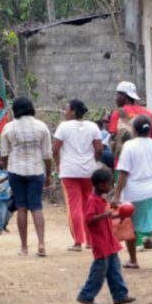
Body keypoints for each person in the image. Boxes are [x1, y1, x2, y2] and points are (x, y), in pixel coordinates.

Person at [111, 115, 152, 270]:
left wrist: (116, 195)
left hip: (133, 192)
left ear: (134, 130)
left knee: (130, 227)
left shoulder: (129, 146)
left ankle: (133, 259)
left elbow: (123, 173)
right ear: (149, 130)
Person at [0, 97, 52, 257]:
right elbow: (47, 155)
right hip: (36, 171)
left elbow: (4, 154)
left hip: (16, 170)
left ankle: (24, 247)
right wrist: (48, 174)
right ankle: (41, 243)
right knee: (36, 207)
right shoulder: (41, 126)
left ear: (15, 110)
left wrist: (8, 170)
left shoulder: (8, 128)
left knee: (21, 207)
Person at [76, 168, 136, 304]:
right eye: (110, 184)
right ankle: (86, 295)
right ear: (101, 185)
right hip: (100, 242)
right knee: (99, 270)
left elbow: (105, 218)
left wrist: (118, 215)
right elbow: (89, 219)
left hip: (109, 241)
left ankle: (120, 295)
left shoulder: (101, 200)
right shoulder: (92, 200)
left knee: (114, 269)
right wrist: (105, 215)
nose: (111, 187)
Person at [53, 99, 103, 252]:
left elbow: (55, 149)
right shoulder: (93, 126)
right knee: (89, 204)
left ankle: (77, 241)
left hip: (69, 170)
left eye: (66, 109)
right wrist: (93, 161)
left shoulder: (63, 127)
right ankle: (90, 240)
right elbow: (99, 149)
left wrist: (59, 164)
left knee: (74, 205)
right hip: (89, 170)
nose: (64, 112)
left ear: (73, 111)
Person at [108, 82, 152, 161]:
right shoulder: (148, 114)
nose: (116, 98)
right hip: (145, 161)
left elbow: (113, 139)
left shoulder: (117, 114)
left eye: (118, 95)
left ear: (124, 96)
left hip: (123, 162)